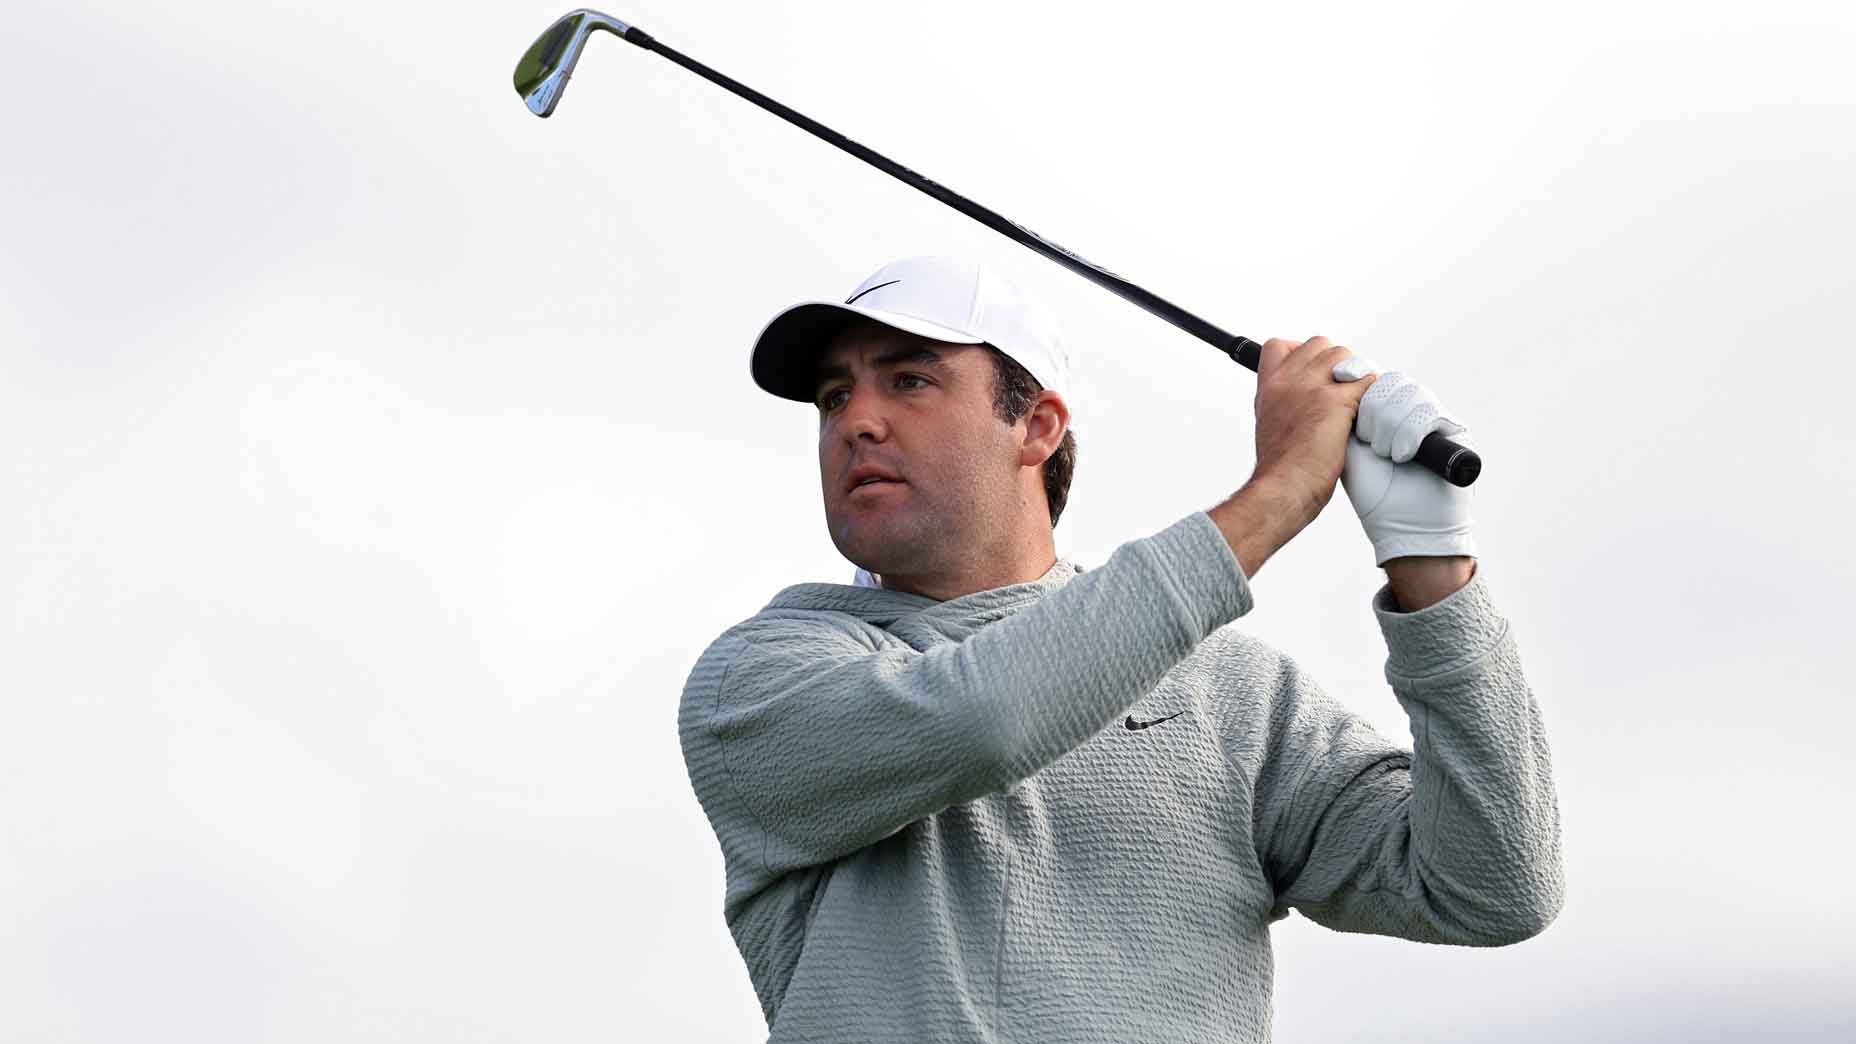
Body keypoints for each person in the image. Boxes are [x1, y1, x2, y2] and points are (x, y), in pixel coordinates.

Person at [676, 254, 1564, 1043]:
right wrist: (1281, 491)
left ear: (1037, 426)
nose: (856, 421)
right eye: (834, 397)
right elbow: (981, 716)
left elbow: (1494, 887)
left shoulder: (1227, 691)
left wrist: (1432, 562)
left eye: (909, 380)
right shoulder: (758, 679)